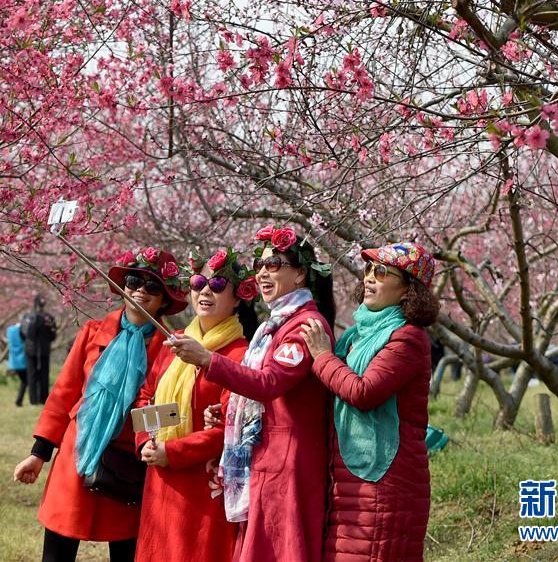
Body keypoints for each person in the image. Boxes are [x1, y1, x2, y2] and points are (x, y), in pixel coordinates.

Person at [169, 225, 335, 562]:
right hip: (258, 456)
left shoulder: (299, 327)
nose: (262, 272)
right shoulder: (273, 325)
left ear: (300, 274)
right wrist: (230, 410)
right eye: (259, 265)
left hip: (282, 461)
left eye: (273, 264)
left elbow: (270, 382)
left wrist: (207, 361)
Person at [13, 247, 188, 562]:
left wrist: (140, 432)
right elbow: (64, 394)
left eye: (152, 287)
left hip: (128, 461)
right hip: (77, 454)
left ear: (164, 299)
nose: (140, 291)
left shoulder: (172, 346)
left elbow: (172, 410)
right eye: (134, 281)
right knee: (57, 550)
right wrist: (39, 454)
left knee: (126, 550)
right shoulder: (92, 332)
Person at [299, 242, 440, 562]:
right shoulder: (356, 335)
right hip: (348, 475)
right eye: (367, 270)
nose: (369, 278)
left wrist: (322, 356)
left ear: (408, 290)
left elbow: (364, 393)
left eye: (381, 271)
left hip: (386, 477)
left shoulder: (408, 338)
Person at [133, 249, 258, 562]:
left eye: (217, 285)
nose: (205, 290)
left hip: (204, 483)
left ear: (238, 298)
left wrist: (173, 452)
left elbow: (234, 429)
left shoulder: (240, 356)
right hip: (160, 474)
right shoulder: (172, 339)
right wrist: (147, 441)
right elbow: (146, 395)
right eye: (199, 282)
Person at [21, 295, 58, 405]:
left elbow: (23, 333)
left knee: (31, 374)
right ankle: (43, 399)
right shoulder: (49, 318)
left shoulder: (27, 316)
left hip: (30, 349)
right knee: (44, 374)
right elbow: (53, 335)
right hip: (44, 350)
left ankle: (33, 401)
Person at [7, 321, 29, 406]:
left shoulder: (10, 331)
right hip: (22, 361)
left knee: (24, 381)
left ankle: (19, 401)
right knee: (26, 381)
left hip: (13, 361)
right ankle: (19, 401)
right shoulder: (21, 332)